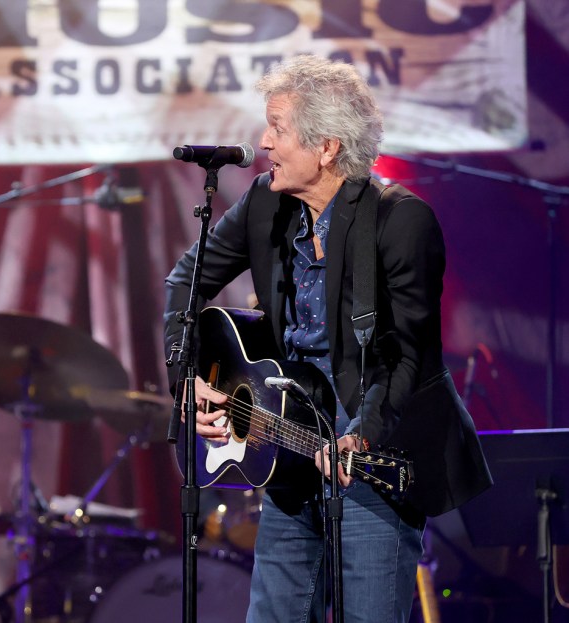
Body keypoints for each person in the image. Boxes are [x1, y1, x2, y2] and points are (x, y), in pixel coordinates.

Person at [163, 55, 492, 623]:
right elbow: (185, 283)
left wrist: (360, 435)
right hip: (286, 432)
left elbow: (407, 352)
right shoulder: (264, 202)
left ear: (327, 147)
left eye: (278, 128)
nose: (263, 142)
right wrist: (189, 382)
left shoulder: (401, 222)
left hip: (374, 437)